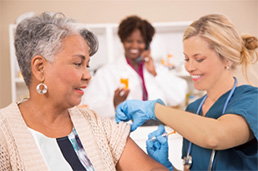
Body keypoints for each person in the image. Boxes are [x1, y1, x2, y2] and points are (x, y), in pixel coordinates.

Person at [0, 11, 168, 171]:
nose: (88, 75)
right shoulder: (4, 134)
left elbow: (152, 167)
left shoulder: (97, 125)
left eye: (87, 65)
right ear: (40, 68)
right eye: (78, 63)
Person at [115, 14, 258, 170]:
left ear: (227, 59)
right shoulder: (193, 109)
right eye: (187, 58)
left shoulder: (251, 100)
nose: (189, 67)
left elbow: (215, 136)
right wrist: (167, 166)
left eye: (199, 59)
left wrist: (153, 109)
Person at [81, 15, 188, 120]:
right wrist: (113, 103)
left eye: (140, 41)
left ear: (147, 45)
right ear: (123, 42)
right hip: (124, 131)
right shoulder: (107, 72)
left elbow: (177, 98)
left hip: (156, 128)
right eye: (129, 41)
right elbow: (89, 105)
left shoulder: (157, 70)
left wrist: (155, 74)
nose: (134, 46)